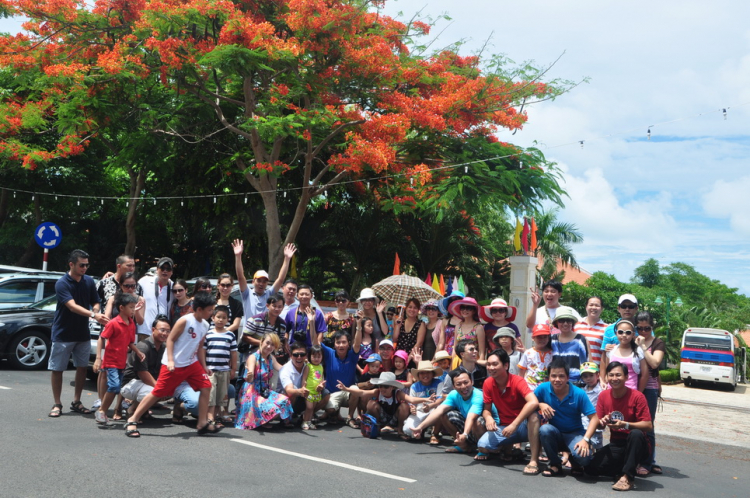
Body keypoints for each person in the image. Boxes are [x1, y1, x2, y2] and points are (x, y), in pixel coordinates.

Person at [124, 291, 219, 437]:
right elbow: (170, 340)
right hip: (174, 364)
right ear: (199, 309)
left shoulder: (205, 325)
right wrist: (170, 360)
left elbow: (199, 347)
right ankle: (132, 420)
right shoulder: (185, 321)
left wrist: (204, 366)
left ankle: (202, 423)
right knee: (158, 392)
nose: (212, 313)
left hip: (191, 364)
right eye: (210, 310)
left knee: (206, 387)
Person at [49, 249, 109, 418]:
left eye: (87, 265)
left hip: (82, 333)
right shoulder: (62, 283)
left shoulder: (88, 281)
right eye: (81, 265)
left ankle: (76, 401)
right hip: (63, 333)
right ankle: (57, 403)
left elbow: (95, 300)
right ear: (71, 264)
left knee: (82, 367)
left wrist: (96, 309)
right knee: (57, 369)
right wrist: (93, 314)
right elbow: (71, 306)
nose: (85, 268)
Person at [584, 361, 653, 491]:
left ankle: (628, 477)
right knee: (590, 469)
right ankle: (624, 467)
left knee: (636, 433)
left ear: (626, 377)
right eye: (611, 375)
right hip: (617, 443)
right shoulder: (604, 396)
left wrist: (626, 425)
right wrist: (602, 422)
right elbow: (598, 426)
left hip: (638, 444)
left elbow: (648, 425)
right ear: (606, 377)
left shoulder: (638, 396)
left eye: (618, 375)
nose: (614, 379)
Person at [476, 349, 541, 475]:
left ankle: (533, 460)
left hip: (522, 426)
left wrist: (514, 424)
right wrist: (488, 418)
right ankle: (510, 450)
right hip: (504, 428)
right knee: (483, 445)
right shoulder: (488, 383)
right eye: (488, 364)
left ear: (506, 365)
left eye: (495, 364)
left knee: (533, 416)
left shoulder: (517, 381)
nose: (490, 367)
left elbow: (533, 402)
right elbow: (486, 410)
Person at [534, 359, 599, 477]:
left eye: (561, 376)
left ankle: (575, 462)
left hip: (575, 434)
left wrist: (586, 440)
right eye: (553, 376)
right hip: (555, 433)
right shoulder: (543, 388)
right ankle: (555, 464)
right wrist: (540, 404)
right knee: (545, 430)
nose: (557, 380)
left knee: (584, 458)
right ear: (548, 377)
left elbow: (594, 418)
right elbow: (528, 403)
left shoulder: (579, 393)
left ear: (568, 377)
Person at [411, 370, 498, 453]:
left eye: (466, 382)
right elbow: (439, 410)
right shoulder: (453, 394)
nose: (463, 387)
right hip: (470, 429)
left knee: (477, 421)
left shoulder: (478, 395)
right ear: (453, 386)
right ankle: (464, 446)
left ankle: (484, 450)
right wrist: (420, 427)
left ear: (472, 382)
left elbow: (471, 417)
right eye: (458, 384)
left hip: (492, 432)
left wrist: (464, 434)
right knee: (444, 414)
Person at [93, 293, 143, 425]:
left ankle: (102, 411)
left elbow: (130, 342)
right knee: (114, 386)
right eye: (131, 307)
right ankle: (102, 410)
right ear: (121, 307)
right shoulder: (113, 323)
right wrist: (99, 358)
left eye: (134, 307)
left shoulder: (131, 323)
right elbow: (102, 338)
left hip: (122, 362)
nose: (133, 310)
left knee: (117, 388)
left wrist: (138, 352)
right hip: (111, 361)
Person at [336, 371, 430, 440]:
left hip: (395, 418)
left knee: (404, 406)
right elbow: (362, 392)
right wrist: (346, 389)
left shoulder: (397, 393)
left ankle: (400, 430)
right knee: (371, 404)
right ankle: (377, 428)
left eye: (386, 386)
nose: (382, 389)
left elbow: (412, 399)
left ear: (392, 387)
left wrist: (426, 399)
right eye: (381, 386)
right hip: (382, 417)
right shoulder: (377, 392)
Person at [235, 332, 293, 430]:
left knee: (284, 401)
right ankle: (261, 420)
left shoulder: (271, 358)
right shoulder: (253, 357)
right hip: (252, 392)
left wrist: (296, 364)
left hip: (264, 391)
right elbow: (250, 373)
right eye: (268, 343)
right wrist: (250, 375)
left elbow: (282, 369)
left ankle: (265, 419)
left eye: (273, 345)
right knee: (272, 409)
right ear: (261, 342)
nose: (269, 346)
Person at [233, 238, 296, 325]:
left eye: (264, 281)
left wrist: (287, 259)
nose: (261, 284)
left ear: (267, 283)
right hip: (249, 334)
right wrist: (238, 256)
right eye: (259, 280)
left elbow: (280, 279)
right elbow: (240, 277)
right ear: (253, 282)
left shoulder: (269, 294)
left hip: (265, 335)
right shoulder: (247, 293)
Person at [634, 311, 665, 476]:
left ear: (652, 327)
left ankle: (647, 462)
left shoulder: (657, 343)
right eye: (640, 328)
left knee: (647, 426)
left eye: (647, 328)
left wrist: (643, 347)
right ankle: (632, 459)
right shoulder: (632, 339)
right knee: (629, 424)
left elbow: (654, 363)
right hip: (632, 386)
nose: (643, 332)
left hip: (649, 389)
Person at [119, 315, 170, 418]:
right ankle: (132, 410)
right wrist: (159, 388)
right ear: (153, 330)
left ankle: (144, 409)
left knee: (174, 387)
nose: (165, 333)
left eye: (168, 331)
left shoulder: (164, 347)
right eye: (162, 330)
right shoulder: (143, 346)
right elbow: (142, 373)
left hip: (146, 384)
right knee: (155, 392)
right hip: (131, 384)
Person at [313, 322, 363, 424]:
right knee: (330, 410)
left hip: (348, 393)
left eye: (344, 342)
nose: (341, 345)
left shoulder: (352, 355)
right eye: (338, 342)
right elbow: (315, 343)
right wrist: (312, 322)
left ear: (349, 343)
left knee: (355, 389)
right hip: (332, 394)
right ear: (334, 344)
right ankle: (333, 413)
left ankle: (350, 417)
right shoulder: (328, 353)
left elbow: (357, 343)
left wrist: (358, 325)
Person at [203, 305, 238, 426]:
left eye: (224, 318)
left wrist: (233, 369)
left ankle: (219, 415)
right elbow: (203, 351)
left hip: (224, 370)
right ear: (212, 318)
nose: (220, 320)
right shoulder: (208, 334)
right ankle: (210, 417)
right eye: (218, 317)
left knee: (222, 395)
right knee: (211, 393)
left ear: (228, 320)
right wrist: (204, 366)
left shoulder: (230, 335)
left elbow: (233, 353)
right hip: (210, 370)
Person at [601, 319, 647, 392]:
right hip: (612, 392)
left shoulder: (638, 351)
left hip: (631, 392)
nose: (624, 335)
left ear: (633, 334)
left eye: (628, 333)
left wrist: (639, 393)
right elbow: (608, 371)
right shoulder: (611, 351)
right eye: (620, 332)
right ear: (616, 333)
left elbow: (645, 374)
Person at [402, 361, 444, 438]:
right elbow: (412, 403)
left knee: (441, 410)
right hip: (420, 411)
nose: (425, 375)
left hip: (434, 409)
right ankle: (419, 432)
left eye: (428, 372)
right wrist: (412, 409)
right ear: (418, 375)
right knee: (407, 429)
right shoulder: (414, 386)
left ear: (433, 374)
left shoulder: (439, 383)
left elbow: (440, 399)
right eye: (422, 373)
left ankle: (435, 434)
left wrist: (430, 406)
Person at [137, 257, 174, 340]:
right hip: (145, 330)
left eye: (168, 269)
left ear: (171, 272)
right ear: (157, 269)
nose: (165, 271)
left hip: (164, 333)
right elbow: (128, 286)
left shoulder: (174, 287)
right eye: (162, 268)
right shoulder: (144, 281)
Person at [550, 306, 589, 383]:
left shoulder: (581, 340)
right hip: (556, 383)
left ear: (572, 323)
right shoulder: (552, 340)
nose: (565, 323)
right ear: (557, 323)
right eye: (561, 320)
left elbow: (588, 363)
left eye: (568, 321)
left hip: (576, 383)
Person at [276, 341, 312, 417]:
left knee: (324, 393)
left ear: (306, 356)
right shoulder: (285, 369)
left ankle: (307, 415)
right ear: (291, 355)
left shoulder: (309, 367)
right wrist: (300, 391)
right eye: (295, 355)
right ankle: (286, 418)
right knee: (293, 391)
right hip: (284, 398)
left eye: (302, 354)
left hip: (302, 397)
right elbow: (289, 390)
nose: (299, 357)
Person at [447, 296, 486, 364]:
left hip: (473, 361)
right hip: (458, 361)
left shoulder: (478, 327)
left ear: (474, 311)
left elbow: (482, 351)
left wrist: (480, 365)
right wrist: (452, 364)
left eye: (468, 308)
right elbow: (455, 347)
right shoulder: (458, 326)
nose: (465, 310)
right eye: (463, 308)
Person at [301, 344, 329, 430]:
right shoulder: (308, 366)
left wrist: (321, 385)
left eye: (319, 356)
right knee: (309, 407)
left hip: (317, 392)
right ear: (310, 356)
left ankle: (309, 422)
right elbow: (304, 378)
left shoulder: (321, 366)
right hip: (309, 391)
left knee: (312, 408)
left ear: (322, 357)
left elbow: (321, 378)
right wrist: (303, 388)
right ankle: (304, 422)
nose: (316, 359)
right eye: (314, 356)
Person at [518, 324, 553, 390]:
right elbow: (521, 373)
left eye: (545, 337)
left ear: (548, 338)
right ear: (533, 338)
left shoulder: (553, 353)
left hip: (547, 390)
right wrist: (521, 388)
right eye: (539, 337)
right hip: (529, 390)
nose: (542, 339)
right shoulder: (528, 353)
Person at [574, 296, 608, 365]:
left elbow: (606, 353)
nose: (594, 307)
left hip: (595, 370)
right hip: (577, 368)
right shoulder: (576, 325)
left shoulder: (607, 328)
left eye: (597, 305)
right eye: (591, 305)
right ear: (586, 307)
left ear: (601, 309)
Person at [579, 361, 604, 450]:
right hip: (583, 424)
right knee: (585, 447)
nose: (588, 378)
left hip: (596, 424)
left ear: (597, 375)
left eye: (591, 375)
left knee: (597, 447)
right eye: (585, 376)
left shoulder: (601, 390)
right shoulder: (582, 391)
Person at [393, 298, 426, 363]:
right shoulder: (401, 322)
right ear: (406, 308)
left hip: (412, 358)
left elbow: (419, 343)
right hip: (399, 357)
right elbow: (394, 339)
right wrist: (397, 326)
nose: (412, 310)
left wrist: (408, 359)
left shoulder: (420, 324)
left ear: (418, 310)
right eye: (410, 307)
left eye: (415, 308)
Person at [439, 290, 465, 356]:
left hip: (462, 354)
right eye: (452, 300)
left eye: (457, 299)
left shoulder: (467, 320)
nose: (455, 302)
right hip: (447, 354)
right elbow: (441, 343)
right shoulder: (445, 320)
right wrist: (435, 357)